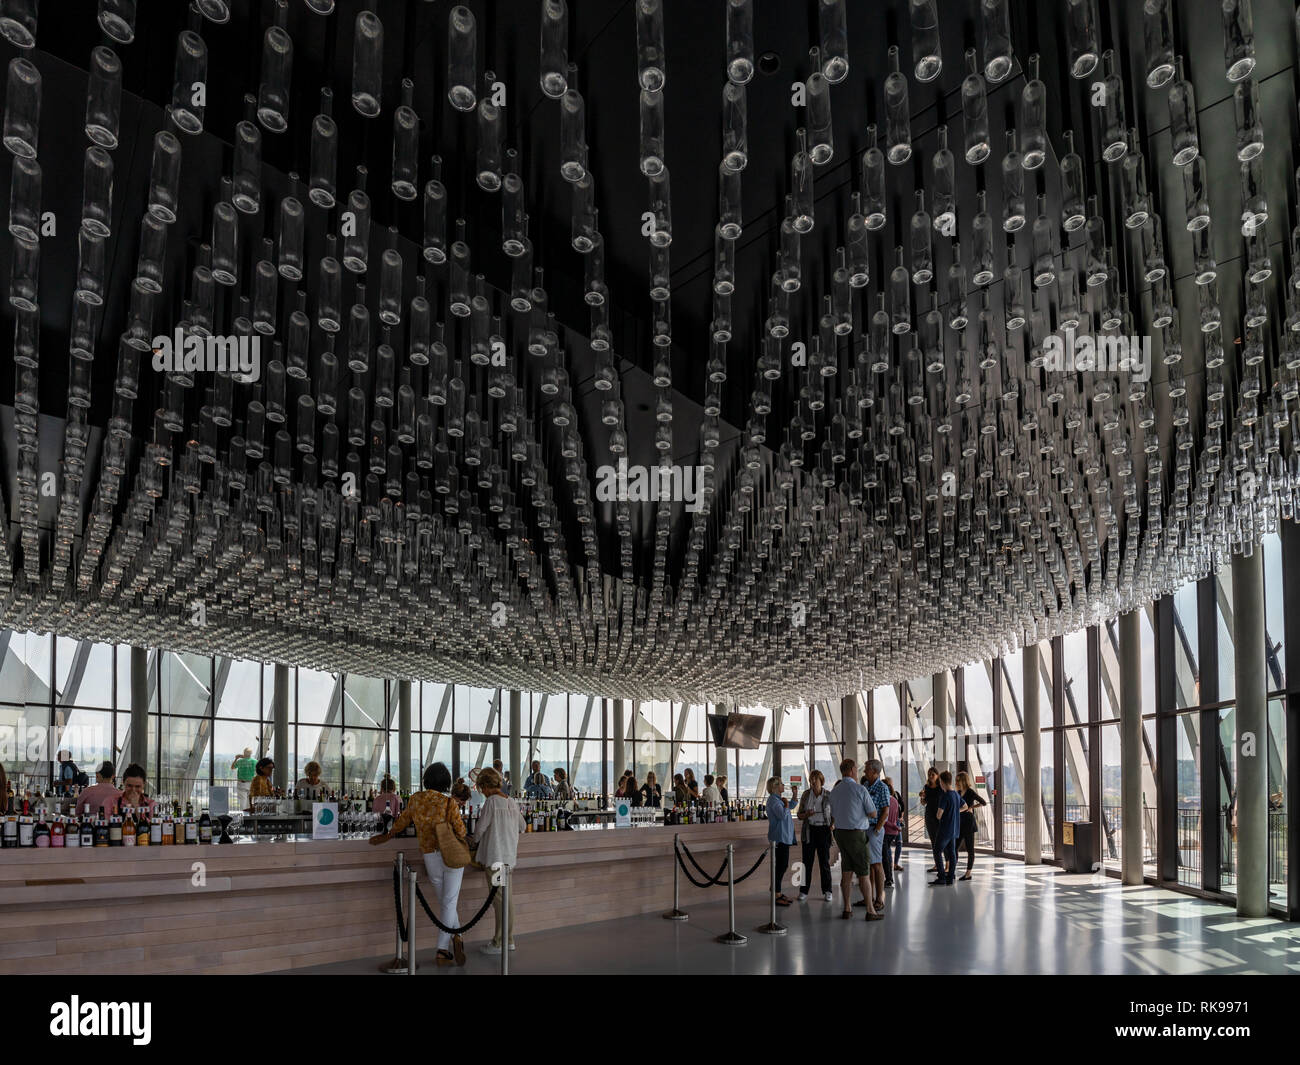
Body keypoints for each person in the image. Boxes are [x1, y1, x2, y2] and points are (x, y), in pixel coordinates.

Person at [370, 762, 468, 966]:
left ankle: (457, 936)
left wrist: (387, 835)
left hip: (429, 856)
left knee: (445, 901)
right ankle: (442, 950)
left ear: (426, 780)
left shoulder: (415, 799)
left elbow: (401, 823)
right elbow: (461, 832)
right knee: (449, 901)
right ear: (446, 782)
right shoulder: (448, 803)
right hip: (451, 855)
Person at [472, 767, 526, 954]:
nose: (483, 792)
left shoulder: (492, 803)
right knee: (506, 899)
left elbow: (479, 831)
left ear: (486, 785)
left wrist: (473, 841)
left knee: (499, 901)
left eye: (482, 788)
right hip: (508, 857)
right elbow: (523, 826)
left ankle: (499, 942)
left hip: (495, 859)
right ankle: (508, 939)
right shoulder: (511, 802)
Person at [828, 759, 880, 920]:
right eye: (856, 769)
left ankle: (847, 908)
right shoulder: (860, 789)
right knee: (864, 872)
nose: (858, 772)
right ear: (851, 770)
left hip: (840, 834)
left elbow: (834, 814)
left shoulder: (834, 791)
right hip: (857, 834)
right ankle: (871, 911)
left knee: (847, 871)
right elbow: (873, 813)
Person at [796, 769, 834, 903]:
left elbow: (834, 814)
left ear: (821, 781)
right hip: (809, 830)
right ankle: (803, 891)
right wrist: (807, 814)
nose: (812, 782)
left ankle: (828, 891)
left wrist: (832, 825)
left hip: (824, 830)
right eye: (811, 780)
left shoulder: (828, 795)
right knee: (806, 862)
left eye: (815, 780)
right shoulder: (806, 795)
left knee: (824, 862)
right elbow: (800, 815)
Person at [862, 760, 891, 914]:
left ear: (874, 771)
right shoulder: (865, 786)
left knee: (876, 864)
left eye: (866, 769)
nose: (864, 772)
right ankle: (869, 897)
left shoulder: (882, 788)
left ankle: (879, 898)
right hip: (863, 829)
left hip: (874, 830)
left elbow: (885, 811)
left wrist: (877, 830)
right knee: (868, 865)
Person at [765, 776, 795, 906]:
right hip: (779, 838)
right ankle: (776, 893)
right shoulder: (773, 801)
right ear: (775, 787)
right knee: (781, 866)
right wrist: (787, 804)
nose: (784, 786)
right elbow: (782, 814)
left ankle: (776, 889)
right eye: (781, 784)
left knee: (782, 865)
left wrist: (794, 795)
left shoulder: (778, 800)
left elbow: (792, 805)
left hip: (784, 837)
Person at [930, 770, 962, 886]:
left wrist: (945, 814)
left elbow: (939, 815)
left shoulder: (945, 796)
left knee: (937, 851)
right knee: (952, 853)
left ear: (942, 782)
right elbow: (965, 806)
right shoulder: (956, 795)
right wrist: (954, 813)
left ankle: (942, 876)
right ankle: (950, 877)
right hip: (954, 829)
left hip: (945, 830)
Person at [955, 771, 987, 880]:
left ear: (963, 781)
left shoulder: (970, 792)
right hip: (960, 823)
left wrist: (971, 807)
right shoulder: (958, 792)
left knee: (970, 849)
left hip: (968, 823)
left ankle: (968, 873)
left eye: (958, 780)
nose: (956, 782)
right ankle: (952, 870)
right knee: (954, 848)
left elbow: (983, 802)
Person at [921, 767, 942, 871]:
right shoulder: (926, 787)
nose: (930, 776)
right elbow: (924, 803)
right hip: (929, 816)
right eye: (929, 774)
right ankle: (937, 864)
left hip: (939, 816)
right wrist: (922, 797)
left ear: (937, 775)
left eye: (933, 774)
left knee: (941, 841)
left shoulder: (941, 787)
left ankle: (945, 865)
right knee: (933, 842)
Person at [882, 776, 903, 883]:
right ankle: (889, 876)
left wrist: (894, 826)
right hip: (894, 832)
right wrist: (896, 826)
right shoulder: (895, 800)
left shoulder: (884, 801)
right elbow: (897, 817)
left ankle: (889, 878)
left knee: (885, 855)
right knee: (887, 852)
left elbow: (884, 819)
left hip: (886, 831)